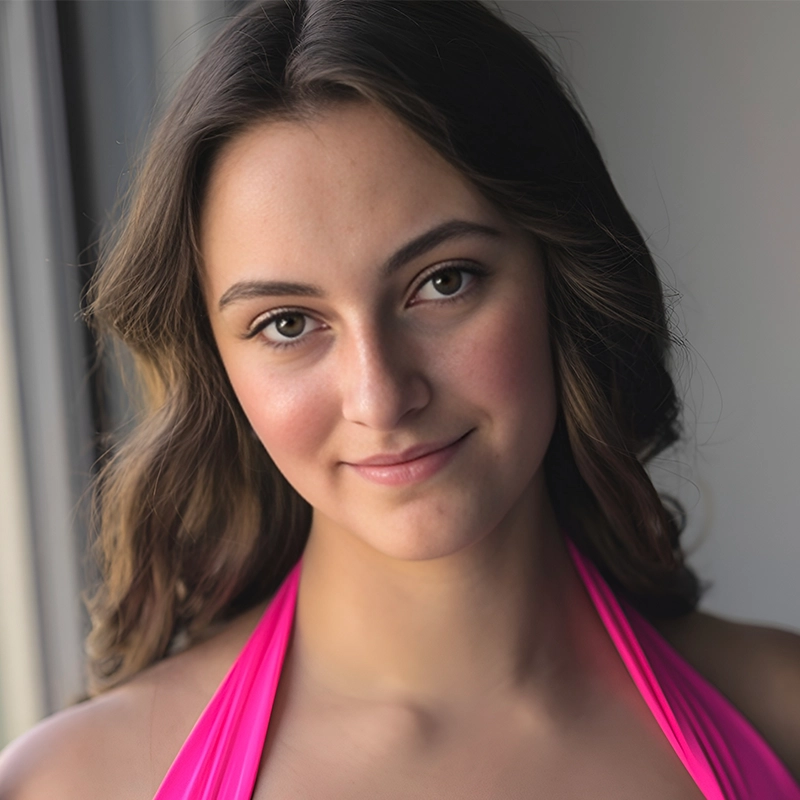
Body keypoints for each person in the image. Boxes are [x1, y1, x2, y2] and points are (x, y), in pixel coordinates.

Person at [1, 1, 798, 798]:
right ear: (217, 365)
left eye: (443, 282)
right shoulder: (69, 785)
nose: (380, 397)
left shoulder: (783, 718)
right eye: (287, 323)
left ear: (561, 275)